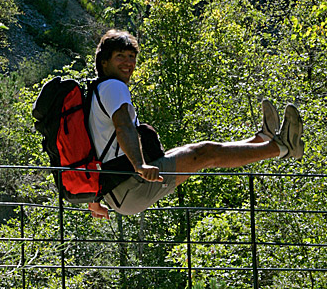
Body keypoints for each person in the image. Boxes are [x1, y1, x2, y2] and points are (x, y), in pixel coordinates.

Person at [88, 29, 304, 219]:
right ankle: (282, 148)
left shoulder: (97, 91)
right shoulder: (114, 87)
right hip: (131, 185)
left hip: (121, 190)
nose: (128, 62)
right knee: (205, 153)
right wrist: (139, 165)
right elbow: (123, 127)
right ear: (104, 62)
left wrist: (94, 197)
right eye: (120, 56)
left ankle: (260, 141)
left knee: (193, 152)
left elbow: (96, 145)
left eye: (131, 56)